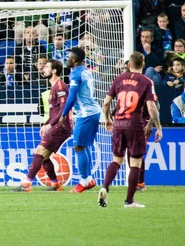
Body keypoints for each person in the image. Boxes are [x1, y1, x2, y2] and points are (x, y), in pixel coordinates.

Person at [98, 52, 162, 208]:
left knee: (116, 160)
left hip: (118, 124)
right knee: (135, 163)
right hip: (135, 124)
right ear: (143, 64)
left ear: (129, 64)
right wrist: (158, 126)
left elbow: (106, 103)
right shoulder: (146, 81)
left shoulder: (118, 79)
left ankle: (105, 187)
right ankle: (129, 201)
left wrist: (107, 119)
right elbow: (151, 106)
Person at [13, 59, 70, 192]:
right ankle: (55, 184)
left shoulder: (60, 86)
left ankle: (26, 184)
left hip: (61, 127)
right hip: (56, 125)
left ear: (54, 71)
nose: (43, 69)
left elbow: (64, 108)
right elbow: (54, 111)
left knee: (39, 152)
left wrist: (50, 125)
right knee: (44, 157)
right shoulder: (53, 86)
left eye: (47, 67)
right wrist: (46, 124)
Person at [59, 47, 103, 193]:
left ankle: (84, 181)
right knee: (83, 146)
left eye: (69, 57)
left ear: (74, 60)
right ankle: (88, 179)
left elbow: (72, 97)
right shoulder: (86, 71)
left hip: (86, 113)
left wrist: (64, 113)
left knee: (78, 146)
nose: (67, 59)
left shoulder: (75, 74)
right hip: (94, 111)